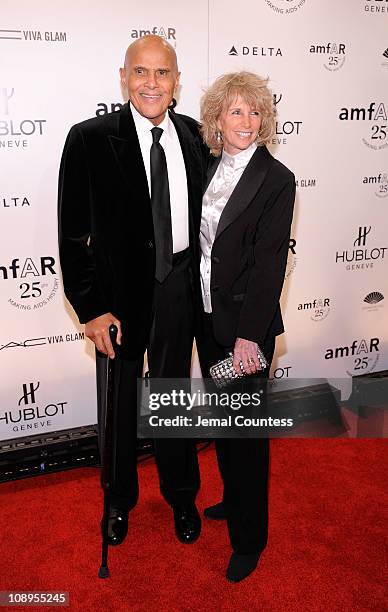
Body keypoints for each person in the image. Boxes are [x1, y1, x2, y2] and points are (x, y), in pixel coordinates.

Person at [58, 35, 206, 547]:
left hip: (179, 290)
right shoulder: (89, 139)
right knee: (120, 408)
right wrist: (92, 308)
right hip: (117, 302)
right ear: (123, 78)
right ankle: (118, 502)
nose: (151, 83)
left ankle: (182, 495)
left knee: (173, 397)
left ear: (176, 83)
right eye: (140, 72)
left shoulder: (193, 135)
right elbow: (72, 235)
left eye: (162, 73)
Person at [196, 71, 295, 582]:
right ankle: (234, 502)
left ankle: (250, 539)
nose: (248, 121)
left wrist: (248, 338)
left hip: (244, 329)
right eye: (236, 110)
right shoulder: (209, 167)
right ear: (217, 118)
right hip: (208, 319)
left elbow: (269, 266)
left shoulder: (276, 180)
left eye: (255, 111)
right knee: (225, 427)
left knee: (248, 437)